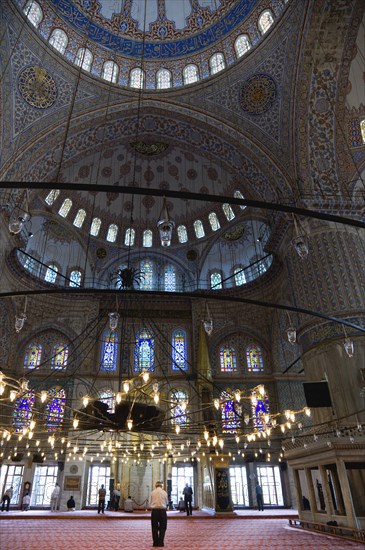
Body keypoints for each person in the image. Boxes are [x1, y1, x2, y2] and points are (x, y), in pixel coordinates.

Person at [149, 481, 168, 548]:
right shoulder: (164, 492)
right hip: (163, 511)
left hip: (154, 511)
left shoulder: (152, 492)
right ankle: (161, 542)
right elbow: (166, 502)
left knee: (154, 527)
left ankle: (155, 543)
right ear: (161, 486)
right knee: (163, 527)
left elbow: (149, 502)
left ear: (155, 486)